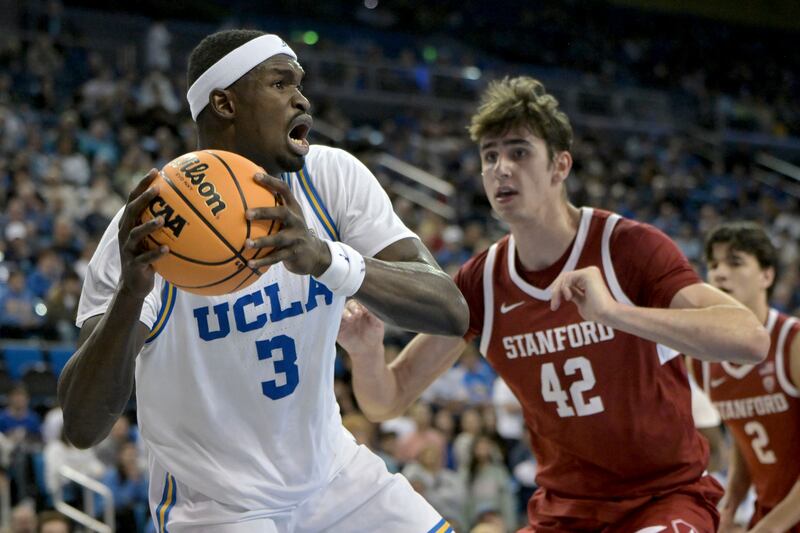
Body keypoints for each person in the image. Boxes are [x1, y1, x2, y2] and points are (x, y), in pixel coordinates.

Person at [57, 29, 467, 532]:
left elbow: (450, 310)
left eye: (300, 83)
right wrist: (130, 295)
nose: (302, 98)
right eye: (280, 83)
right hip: (215, 508)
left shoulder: (332, 178)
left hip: (335, 477)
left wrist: (328, 260)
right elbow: (81, 425)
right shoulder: (150, 229)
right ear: (225, 103)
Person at [337, 76, 770, 532]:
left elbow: (751, 338)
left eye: (519, 152)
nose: (501, 167)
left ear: (560, 166)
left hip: (664, 498)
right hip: (564, 511)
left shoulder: (627, 247)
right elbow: (387, 400)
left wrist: (615, 314)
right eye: (490, 156)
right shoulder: (480, 282)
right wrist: (366, 353)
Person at [690, 222, 800, 533]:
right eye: (713, 265)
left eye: (735, 262)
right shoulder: (701, 361)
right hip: (770, 509)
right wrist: (732, 502)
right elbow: (744, 437)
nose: (719, 273)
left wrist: (769, 528)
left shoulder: (792, 343)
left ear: (767, 275)